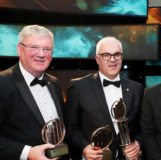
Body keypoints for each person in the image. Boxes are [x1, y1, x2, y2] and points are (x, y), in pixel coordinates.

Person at [64, 36, 144, 160]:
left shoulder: (137, 88)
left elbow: (142, 127)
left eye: (117, 54)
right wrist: (84, 148)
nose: (112, 60)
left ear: (122, 57)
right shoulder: (78, 87)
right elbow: (70, 129)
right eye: (106, 55)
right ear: (97, 59)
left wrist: (138, 143)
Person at [0, 25, 65, 159]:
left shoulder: (54, 83)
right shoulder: (2, 83)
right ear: (19, 50)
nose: (41, 54)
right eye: (34, 47)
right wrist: (28, 153)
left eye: (47, 49)